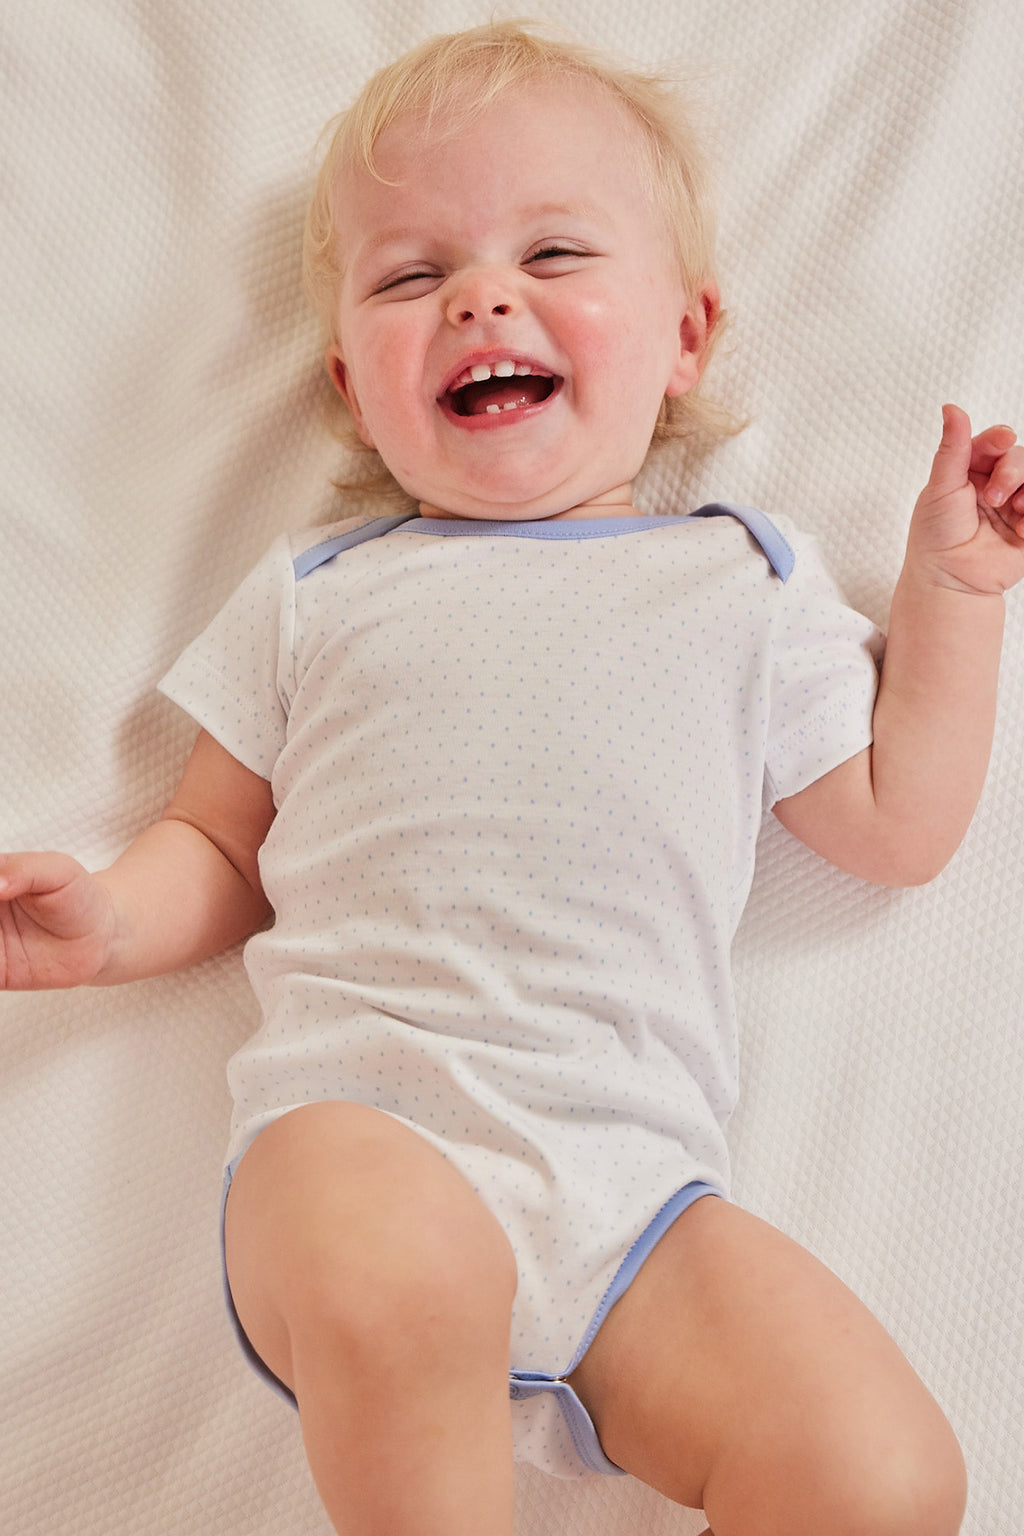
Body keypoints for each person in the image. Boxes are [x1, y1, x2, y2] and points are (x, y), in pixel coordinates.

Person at [2, 21, 1022, 1536]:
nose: (485, 294)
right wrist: (106, 923)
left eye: (555, 253)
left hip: (635, 1202)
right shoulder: (321, 590)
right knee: (403, 1277)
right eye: (414, 276)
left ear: (687, 335)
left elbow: (895, 823)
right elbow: (217, 842)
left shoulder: (742, 582)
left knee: (886, 1477)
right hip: (359, 1136)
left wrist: (954, 599)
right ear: (353, 383)